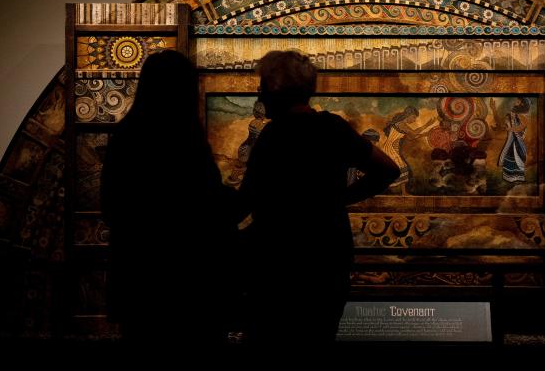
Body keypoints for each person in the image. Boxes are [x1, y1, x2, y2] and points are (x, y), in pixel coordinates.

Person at [238, 50, 399, 347]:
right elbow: (388, 169)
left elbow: (246, 200)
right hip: (327, 261)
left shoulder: (274, 137)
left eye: (262, 85)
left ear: (276, 88)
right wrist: (338, 199)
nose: (259, 93)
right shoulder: (332, 128)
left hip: (279, 268)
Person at [101, 50, 239, 347]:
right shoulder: (186, 140)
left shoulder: (126, 136)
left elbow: (111, 208)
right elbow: (204, 205)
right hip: (190, 283)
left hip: (140, 282)